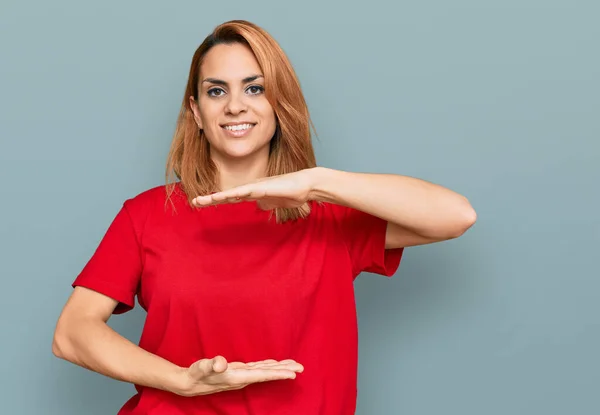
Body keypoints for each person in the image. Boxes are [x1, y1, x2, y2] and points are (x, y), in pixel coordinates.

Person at [52, 19, 477, 415]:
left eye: (254, 89)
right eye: (216, 91)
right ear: (196, 112)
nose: (235, 106)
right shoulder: (146, 215)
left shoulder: (328, 214)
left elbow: (455, 215)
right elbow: (72, 333)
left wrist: (315, 182)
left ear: (279, 104)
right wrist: (181, 381)